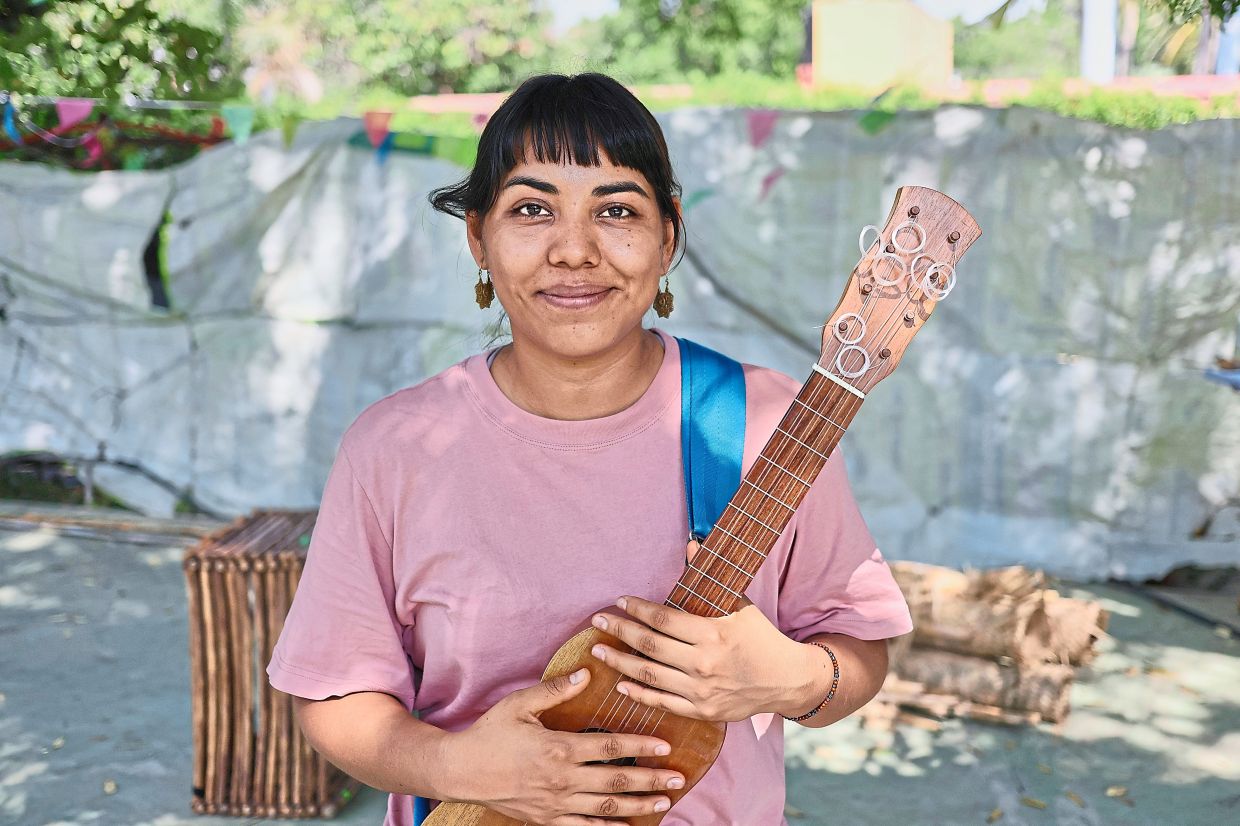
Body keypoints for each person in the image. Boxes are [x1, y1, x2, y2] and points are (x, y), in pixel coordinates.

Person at [266, 72, 914, 826]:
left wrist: (795, 679)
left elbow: (858, 651)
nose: (574, 251)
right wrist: (458, 765)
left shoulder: (767, 424)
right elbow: (334, 692)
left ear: (668, 235)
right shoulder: (397, 448)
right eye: (533, 209)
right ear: (478, 236)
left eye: (616, 210)